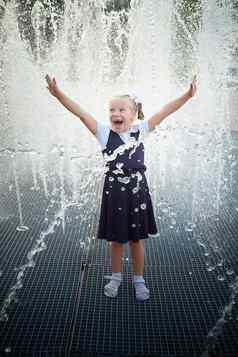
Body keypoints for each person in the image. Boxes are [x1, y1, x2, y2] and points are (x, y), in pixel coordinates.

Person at [45, 74, 197, 301]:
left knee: (136, 239)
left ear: (134, 113)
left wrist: (188, 94)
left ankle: (139, 279)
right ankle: (115, 277)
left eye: (121, 109)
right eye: (112, 110)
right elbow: (80, 112)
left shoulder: (141, 130)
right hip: (114, 192)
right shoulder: (104, 133)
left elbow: (166, 110)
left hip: (137, 192)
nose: (115, 114)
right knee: (116, 239)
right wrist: (58, 94)